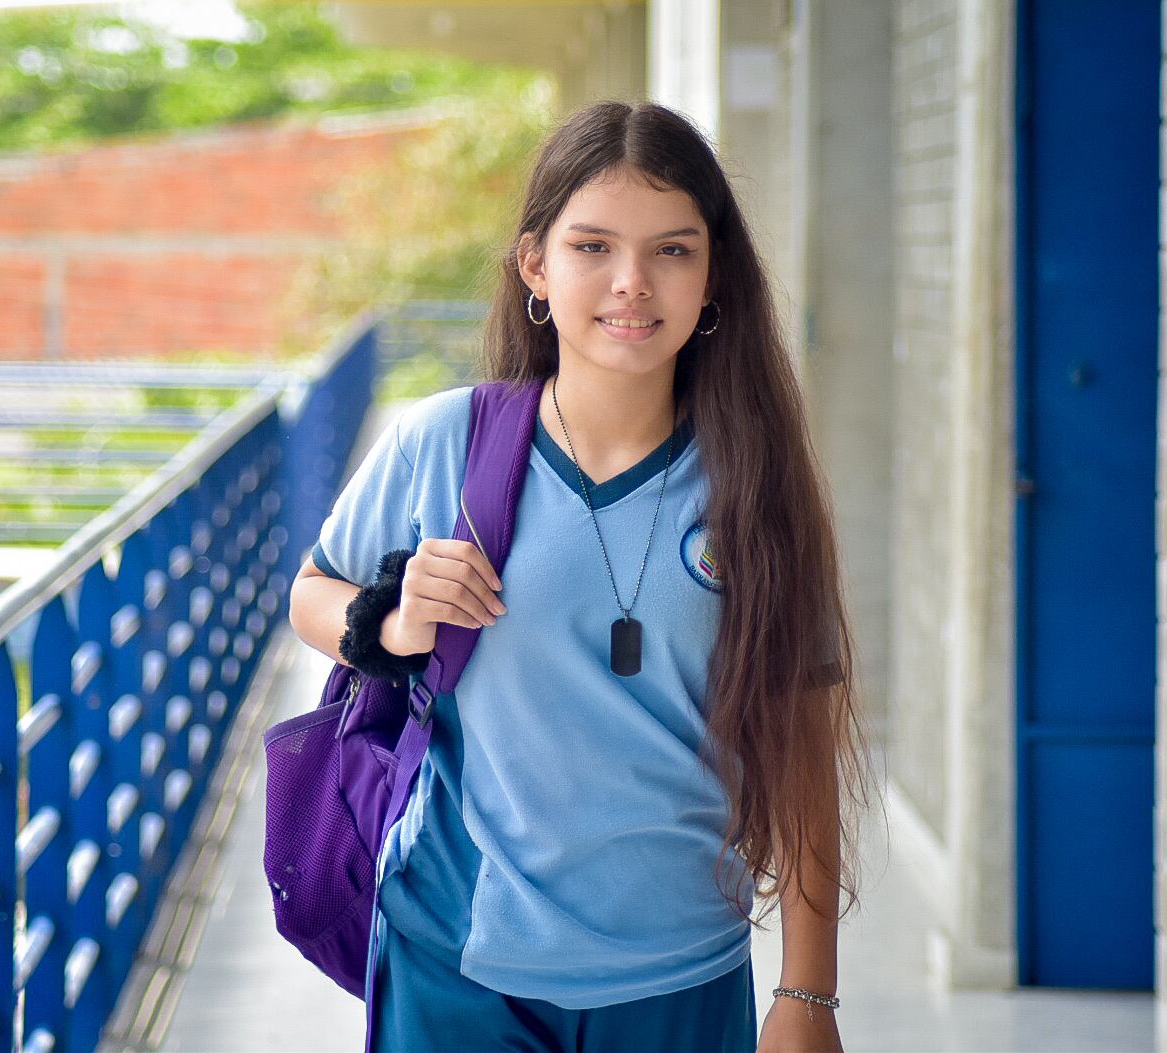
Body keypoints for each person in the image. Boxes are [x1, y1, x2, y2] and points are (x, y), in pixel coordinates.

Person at [289, 99, 876, 1053]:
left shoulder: (755, 482)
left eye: (672, 251)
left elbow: (806, 746)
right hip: (458, 959)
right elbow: (313, 593)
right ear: (536, 265)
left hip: (681, 968)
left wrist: (808, 995)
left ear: (713, 270)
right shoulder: (444, 443)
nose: (631, 285)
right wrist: (394, 623)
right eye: (592, 247)